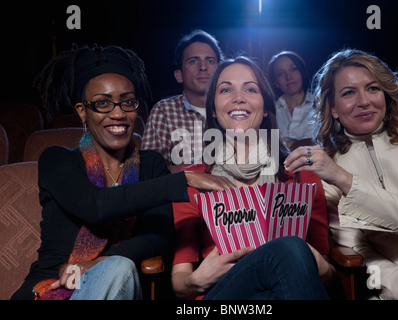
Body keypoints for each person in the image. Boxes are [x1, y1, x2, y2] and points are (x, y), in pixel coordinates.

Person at [11, 44, 233, 300]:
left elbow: (158, 236)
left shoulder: (150, 164)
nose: (118, 114)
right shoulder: (57, 159)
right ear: (83, 111)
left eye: (127, 102)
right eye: (103, 103)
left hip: (120, 285)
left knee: (119, 267)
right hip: (50, 285)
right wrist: (184, 179)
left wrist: (97, 263)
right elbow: (95, 206)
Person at [284, 48, 398, 300]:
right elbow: (357, 251)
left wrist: (344, 179)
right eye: (349, 93)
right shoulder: (328, 170)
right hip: (397, 292)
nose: (364, 101)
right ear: (333, 108)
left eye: (372, 88)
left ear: (385, 93)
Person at [171, 56, 335, 300]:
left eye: (250, 89)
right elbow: (179, 282)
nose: (239, 97)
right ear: (213, 109)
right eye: (226, 89)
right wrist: (196, 279)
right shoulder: (194, 181)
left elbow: (329, 274)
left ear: (266, 106)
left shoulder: (303, 176)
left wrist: (311, 259)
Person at [141, 30, 223, 170]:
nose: (203, 67)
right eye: (193, 61)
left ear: (222, 71)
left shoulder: (235, 107)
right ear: (179, 75)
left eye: (210, 61)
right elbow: (150, 172)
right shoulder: (164, 111)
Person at [267, 51, 314, 149]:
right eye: (280, 74)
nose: (289, 77)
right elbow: (267, 144)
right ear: (276, 82)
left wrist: (286, 144)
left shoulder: (320, 106)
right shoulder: (269, 111)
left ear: (302, 73)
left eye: (293, 69)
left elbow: (324, 143)